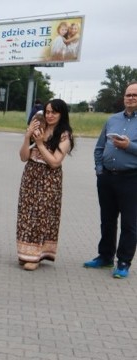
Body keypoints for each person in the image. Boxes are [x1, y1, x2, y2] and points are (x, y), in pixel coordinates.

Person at [85, 82, 137, 279]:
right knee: (107, 220)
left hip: (131, 179)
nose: (131, 98)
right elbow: (99, 147)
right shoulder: (112, 120)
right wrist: (99, 169)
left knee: (130, 224)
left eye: (135, 95)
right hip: (107, 177)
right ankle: (105, 256)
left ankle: (123, 262)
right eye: (128, 94)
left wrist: (129, 146)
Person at [16, 99, 74, 270]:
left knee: (42, 217)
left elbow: (55, 162)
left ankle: (36, 256)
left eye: (53, 112)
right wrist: (27, 137)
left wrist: (40, 144)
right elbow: (23, 157)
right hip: (31, 175)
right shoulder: (39, 129)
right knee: (26, 215)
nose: (49, 115)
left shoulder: (64, 135)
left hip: (49, 179)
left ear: (61, 114)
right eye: (47, 112)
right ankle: (25, 252)